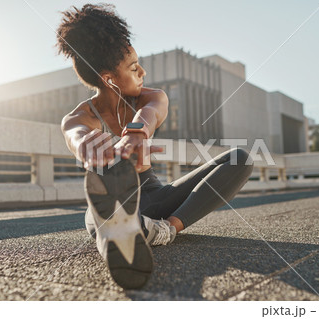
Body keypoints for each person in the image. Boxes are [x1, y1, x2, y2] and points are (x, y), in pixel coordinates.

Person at [57, 3, 253, 289]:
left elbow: (149, 113)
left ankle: (164, 229)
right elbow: (74, 133)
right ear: (109, 80)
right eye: (134, 68)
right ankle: (123, 237)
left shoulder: (151, 97)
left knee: (240, 158)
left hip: (156, 197)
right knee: (102, 216)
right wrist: (86, 144)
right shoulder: (79, 117)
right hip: (111, 205)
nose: (143, 72)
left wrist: (137, 131)